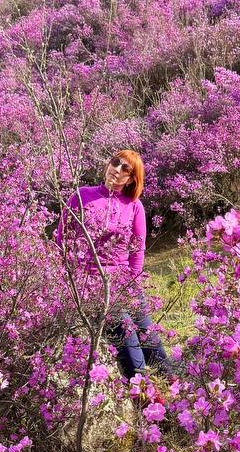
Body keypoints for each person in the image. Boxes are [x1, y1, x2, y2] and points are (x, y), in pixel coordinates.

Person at [55, 149, 172, 381]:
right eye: (115, 162)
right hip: (91, 283)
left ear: (131, 179)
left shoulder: (134, 206)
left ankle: (173, 385)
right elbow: (62, 238)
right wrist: (72, 279)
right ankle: (142, 393)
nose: (117, 169)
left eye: (125, 168)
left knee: (149, 336)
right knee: (128, 337)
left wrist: (132, 285)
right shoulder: (82, 195)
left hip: (124, 280)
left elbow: (137, 250)